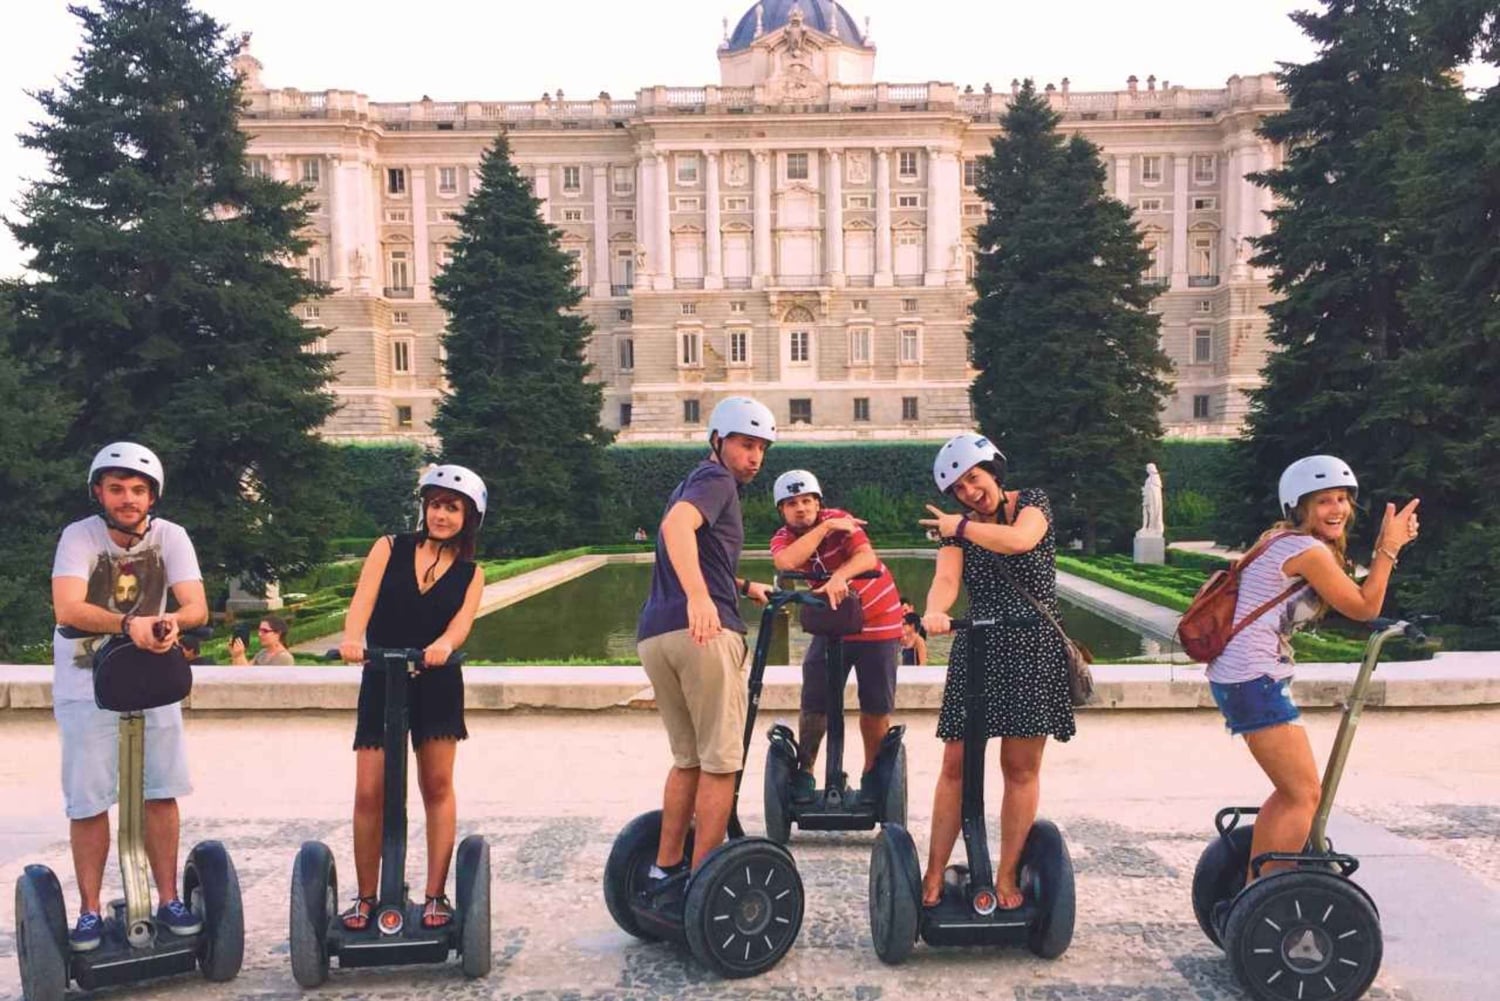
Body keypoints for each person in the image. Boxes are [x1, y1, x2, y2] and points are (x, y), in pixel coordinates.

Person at [1208, 455, 1420, 888]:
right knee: (1302, 794)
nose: (1337, 509)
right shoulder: (1304, 550)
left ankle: (1258, 887)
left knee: (1294, 792)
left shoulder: (1284, 542)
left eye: (1343, 499)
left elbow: (1349, 593)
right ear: (1299, 508)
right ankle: (1266, 893)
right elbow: (1364, 606)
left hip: (1244, 677)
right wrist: (1388, 547)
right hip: (1254, 678)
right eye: (1324, 500)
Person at [51, 443, 209, 951]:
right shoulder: (79, 537)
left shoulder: (172, 537)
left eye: (138, 490)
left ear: (151, 496)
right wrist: (127, 623)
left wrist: (169, 622)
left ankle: (167, 899)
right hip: (85, 680)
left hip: (150, 677)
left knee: (161, 791)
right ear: (99, 491)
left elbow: (197, 606)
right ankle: (90, 911)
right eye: (117, 488)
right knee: (89, 799)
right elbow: (69, 606)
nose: (128, 499)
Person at [917, 432, 1076, 910]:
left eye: (974, 478)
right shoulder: (955, 529)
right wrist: (934, 612)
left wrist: (960, 528)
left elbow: (1019, 540)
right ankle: (932, 872)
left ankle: (1007, 876)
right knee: (955, 766)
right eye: (960, 489)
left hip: (1032, 644)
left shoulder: (1033, 503)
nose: (969, 492)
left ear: (993, 470)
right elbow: (945, 580)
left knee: (1020, 768)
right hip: (979, 644)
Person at [635, 396, 776, 913]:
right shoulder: (715, 481)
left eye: (761, 447)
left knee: (688, 760)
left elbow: (695, 548)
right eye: (745, 444)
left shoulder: (693, 481)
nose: (755, 456)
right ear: (718, 441)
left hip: (656, 635)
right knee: (721, 763)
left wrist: (738, 584)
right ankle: (702, 884)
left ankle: (664, 869)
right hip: (703, 634)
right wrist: (701, 597)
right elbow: (677, 529)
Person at [338, 464, 488, 931]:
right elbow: (362, 599)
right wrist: (351, 637)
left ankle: (435, 895)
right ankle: (366, 896)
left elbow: (462, 623)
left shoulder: (471, 572)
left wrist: (444, 645)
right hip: (382, 673)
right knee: (369, 791)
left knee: (437, 786)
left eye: (453, 507)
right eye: (436, 504)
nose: (442, 514)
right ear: (425, 506)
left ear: (469, 517)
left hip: (437, 679)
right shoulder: (390, 547)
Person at [769, 468, 904, 799]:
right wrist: (824, 528)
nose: (801, 508)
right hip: (835, 625)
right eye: (791, 503)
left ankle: (873, 778)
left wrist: (840, 575)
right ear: (782, 511)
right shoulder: (786, 537)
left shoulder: (841, 519)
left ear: (819, 502)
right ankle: (805, 773)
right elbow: (786, 562)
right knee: (815, 699)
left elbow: (866, 556)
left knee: (875, 706)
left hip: (878, 620)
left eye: (807, 501)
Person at [228, 614, 294, 666]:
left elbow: (250, 677)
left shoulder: (284, 658)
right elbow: (240, 672)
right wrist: (235, 656)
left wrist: (240, 655)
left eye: (265, 631)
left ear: (278, 633)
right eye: (259, 630)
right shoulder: (263, 653)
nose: (260, 634)